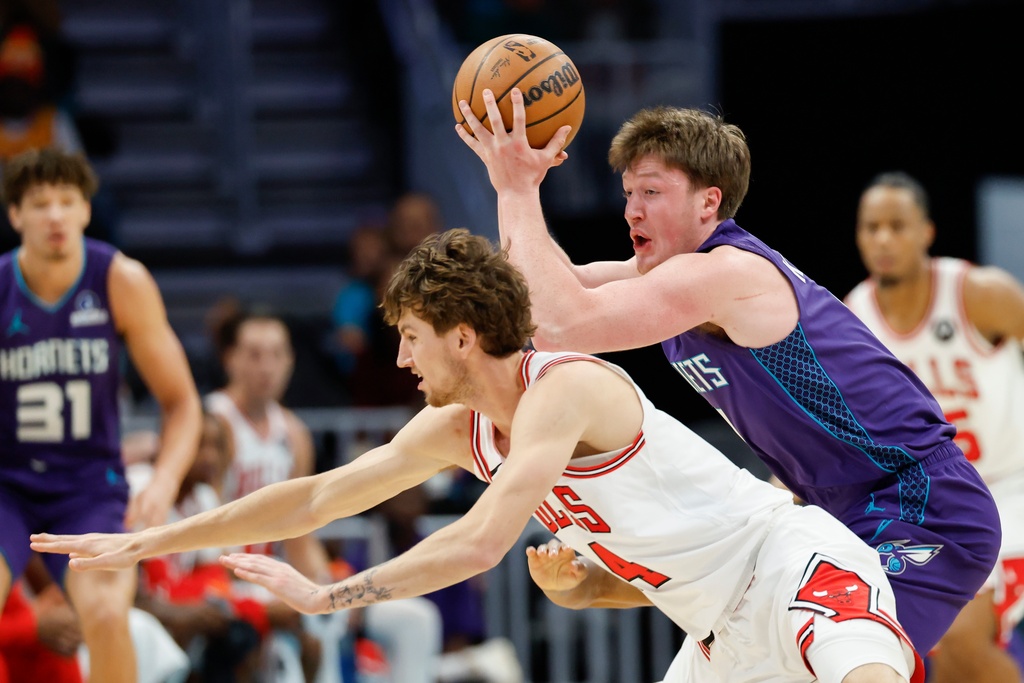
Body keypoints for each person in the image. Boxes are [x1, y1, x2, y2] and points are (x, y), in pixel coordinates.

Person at [32, 229, 925, 683]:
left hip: (793, 564)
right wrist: (145, 541)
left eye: (413, 338)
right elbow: (314, 499)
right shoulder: (455, 427)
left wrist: (330, 593)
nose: (400, 360)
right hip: (715, 631)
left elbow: (475, 543)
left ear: (464, 336)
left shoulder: (566, 388)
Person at [453, 90, 1001, 658]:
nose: (631, 211)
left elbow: (561, 324)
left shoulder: (726, 274)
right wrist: (518, 182)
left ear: (708, 203)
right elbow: (543, 292)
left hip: (920, 502)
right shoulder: (668, 277)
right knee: (762, 660)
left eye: (651, 192)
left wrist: (515, 188)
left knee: (849, 662)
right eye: (627, 194)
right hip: (835, 510)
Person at [0, 147, 203, 683]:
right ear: (15, 215)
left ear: (87, 210)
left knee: (110, 615)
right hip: (7, 485)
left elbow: (182, 403)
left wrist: (163, 479)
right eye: (40, 203)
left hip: (89, 485)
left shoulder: (121, 280)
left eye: (68, 201)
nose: (55, 215)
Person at [844, 171, 1024, 683]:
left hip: (1010, 491)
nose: (883, 238)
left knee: (963, 635)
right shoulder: (853, 320)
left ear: (926, 232)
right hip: (932, 507)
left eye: (897, 226)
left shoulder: (980, 294)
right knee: (926, 648)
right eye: (871, 226)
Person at [206, 308, 442, 683]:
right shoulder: (213, 424)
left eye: (276, 354)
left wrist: (327, 582)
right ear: (230, 359)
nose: (266, 366)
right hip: (220, 579)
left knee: (415, 620)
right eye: (254, 354)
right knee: (310, 625)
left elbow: (301, 529)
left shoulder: (294, 433)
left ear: (290, 361)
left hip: (274, 574)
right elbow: (202, 524)